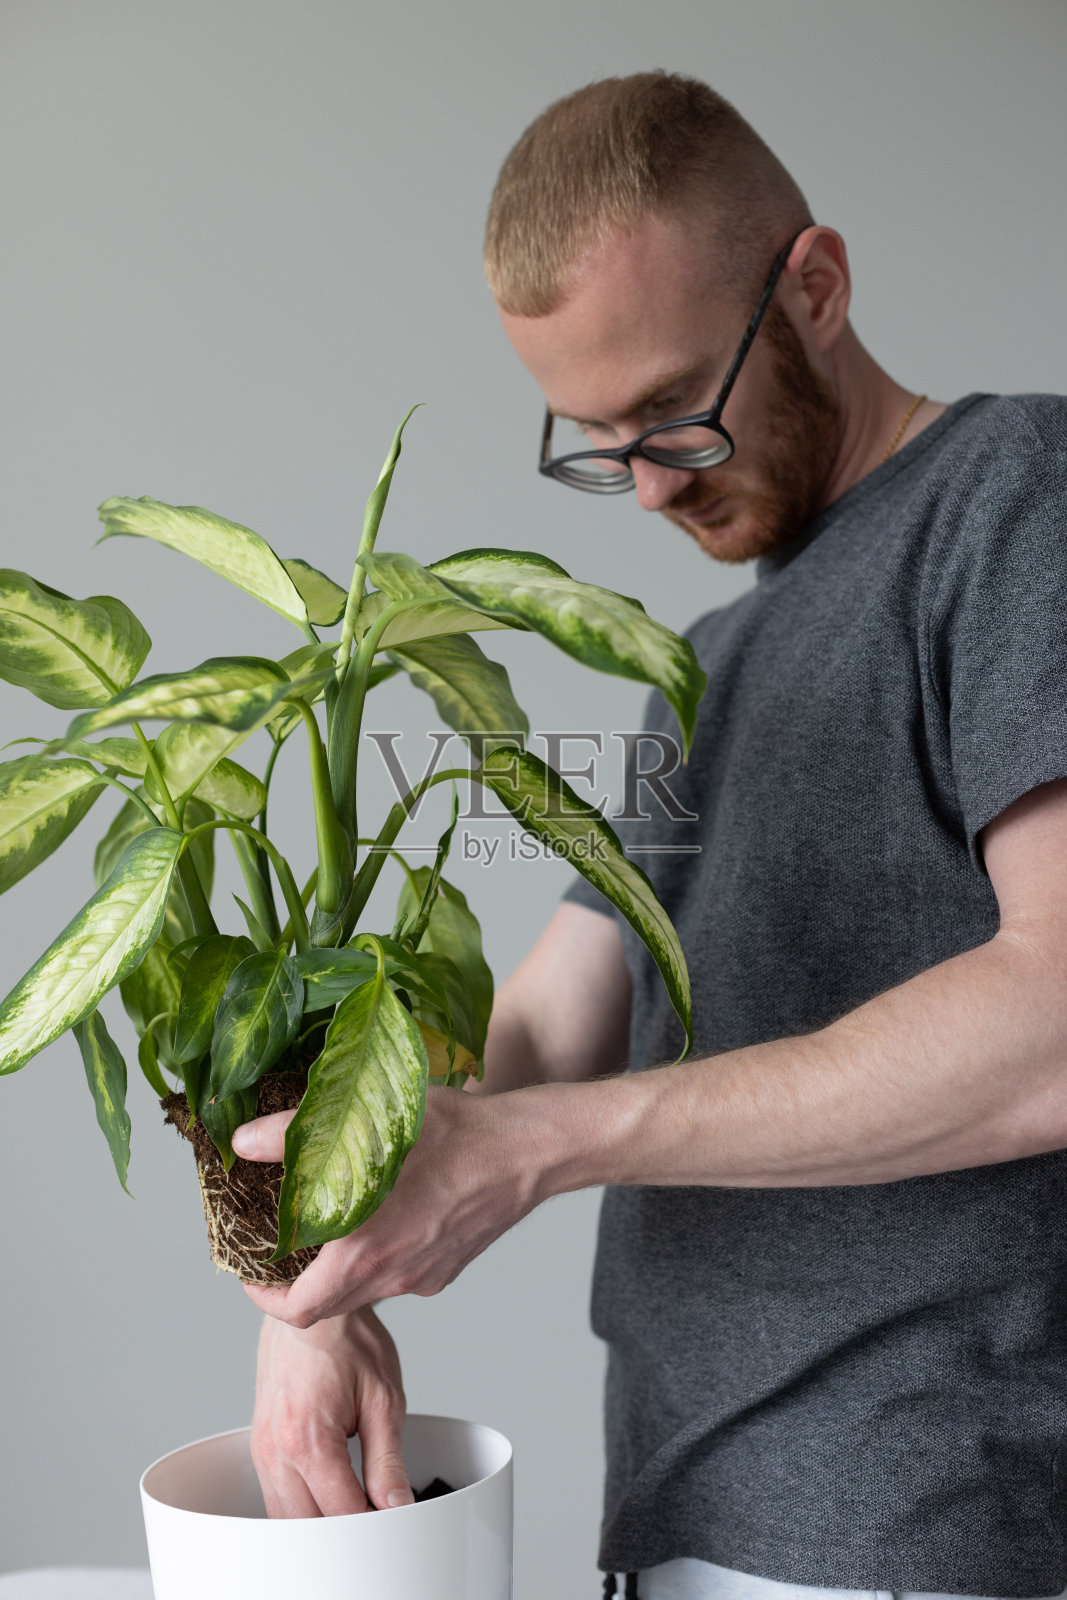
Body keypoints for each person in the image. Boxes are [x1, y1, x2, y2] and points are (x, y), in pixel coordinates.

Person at [230, 72, 1067, 1600]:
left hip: (920, 1521)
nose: (649, 484)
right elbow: (551, 1014)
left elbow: (1059, 1017)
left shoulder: (1020, 498)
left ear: (814, 285)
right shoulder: (704, 668)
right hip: (682, 1512)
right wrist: (313, 1275)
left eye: (677, 408)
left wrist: (530, 1151)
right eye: (596, 438)